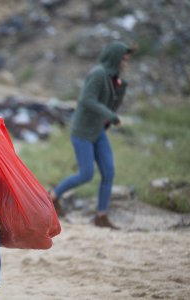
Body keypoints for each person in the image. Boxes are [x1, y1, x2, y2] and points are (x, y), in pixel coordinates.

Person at [50, 41, 133, 229]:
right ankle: (52, 196)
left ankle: (101, 216)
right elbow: (87, 100)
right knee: (86, 174)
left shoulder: (113, 78)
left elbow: (112, 105)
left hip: (98, 132)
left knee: (108, 172)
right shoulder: (98, 74)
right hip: (82, 132)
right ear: (115, 58)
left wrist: (120, 92)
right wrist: (111, 115)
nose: (126, 63)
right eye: (124, 59)